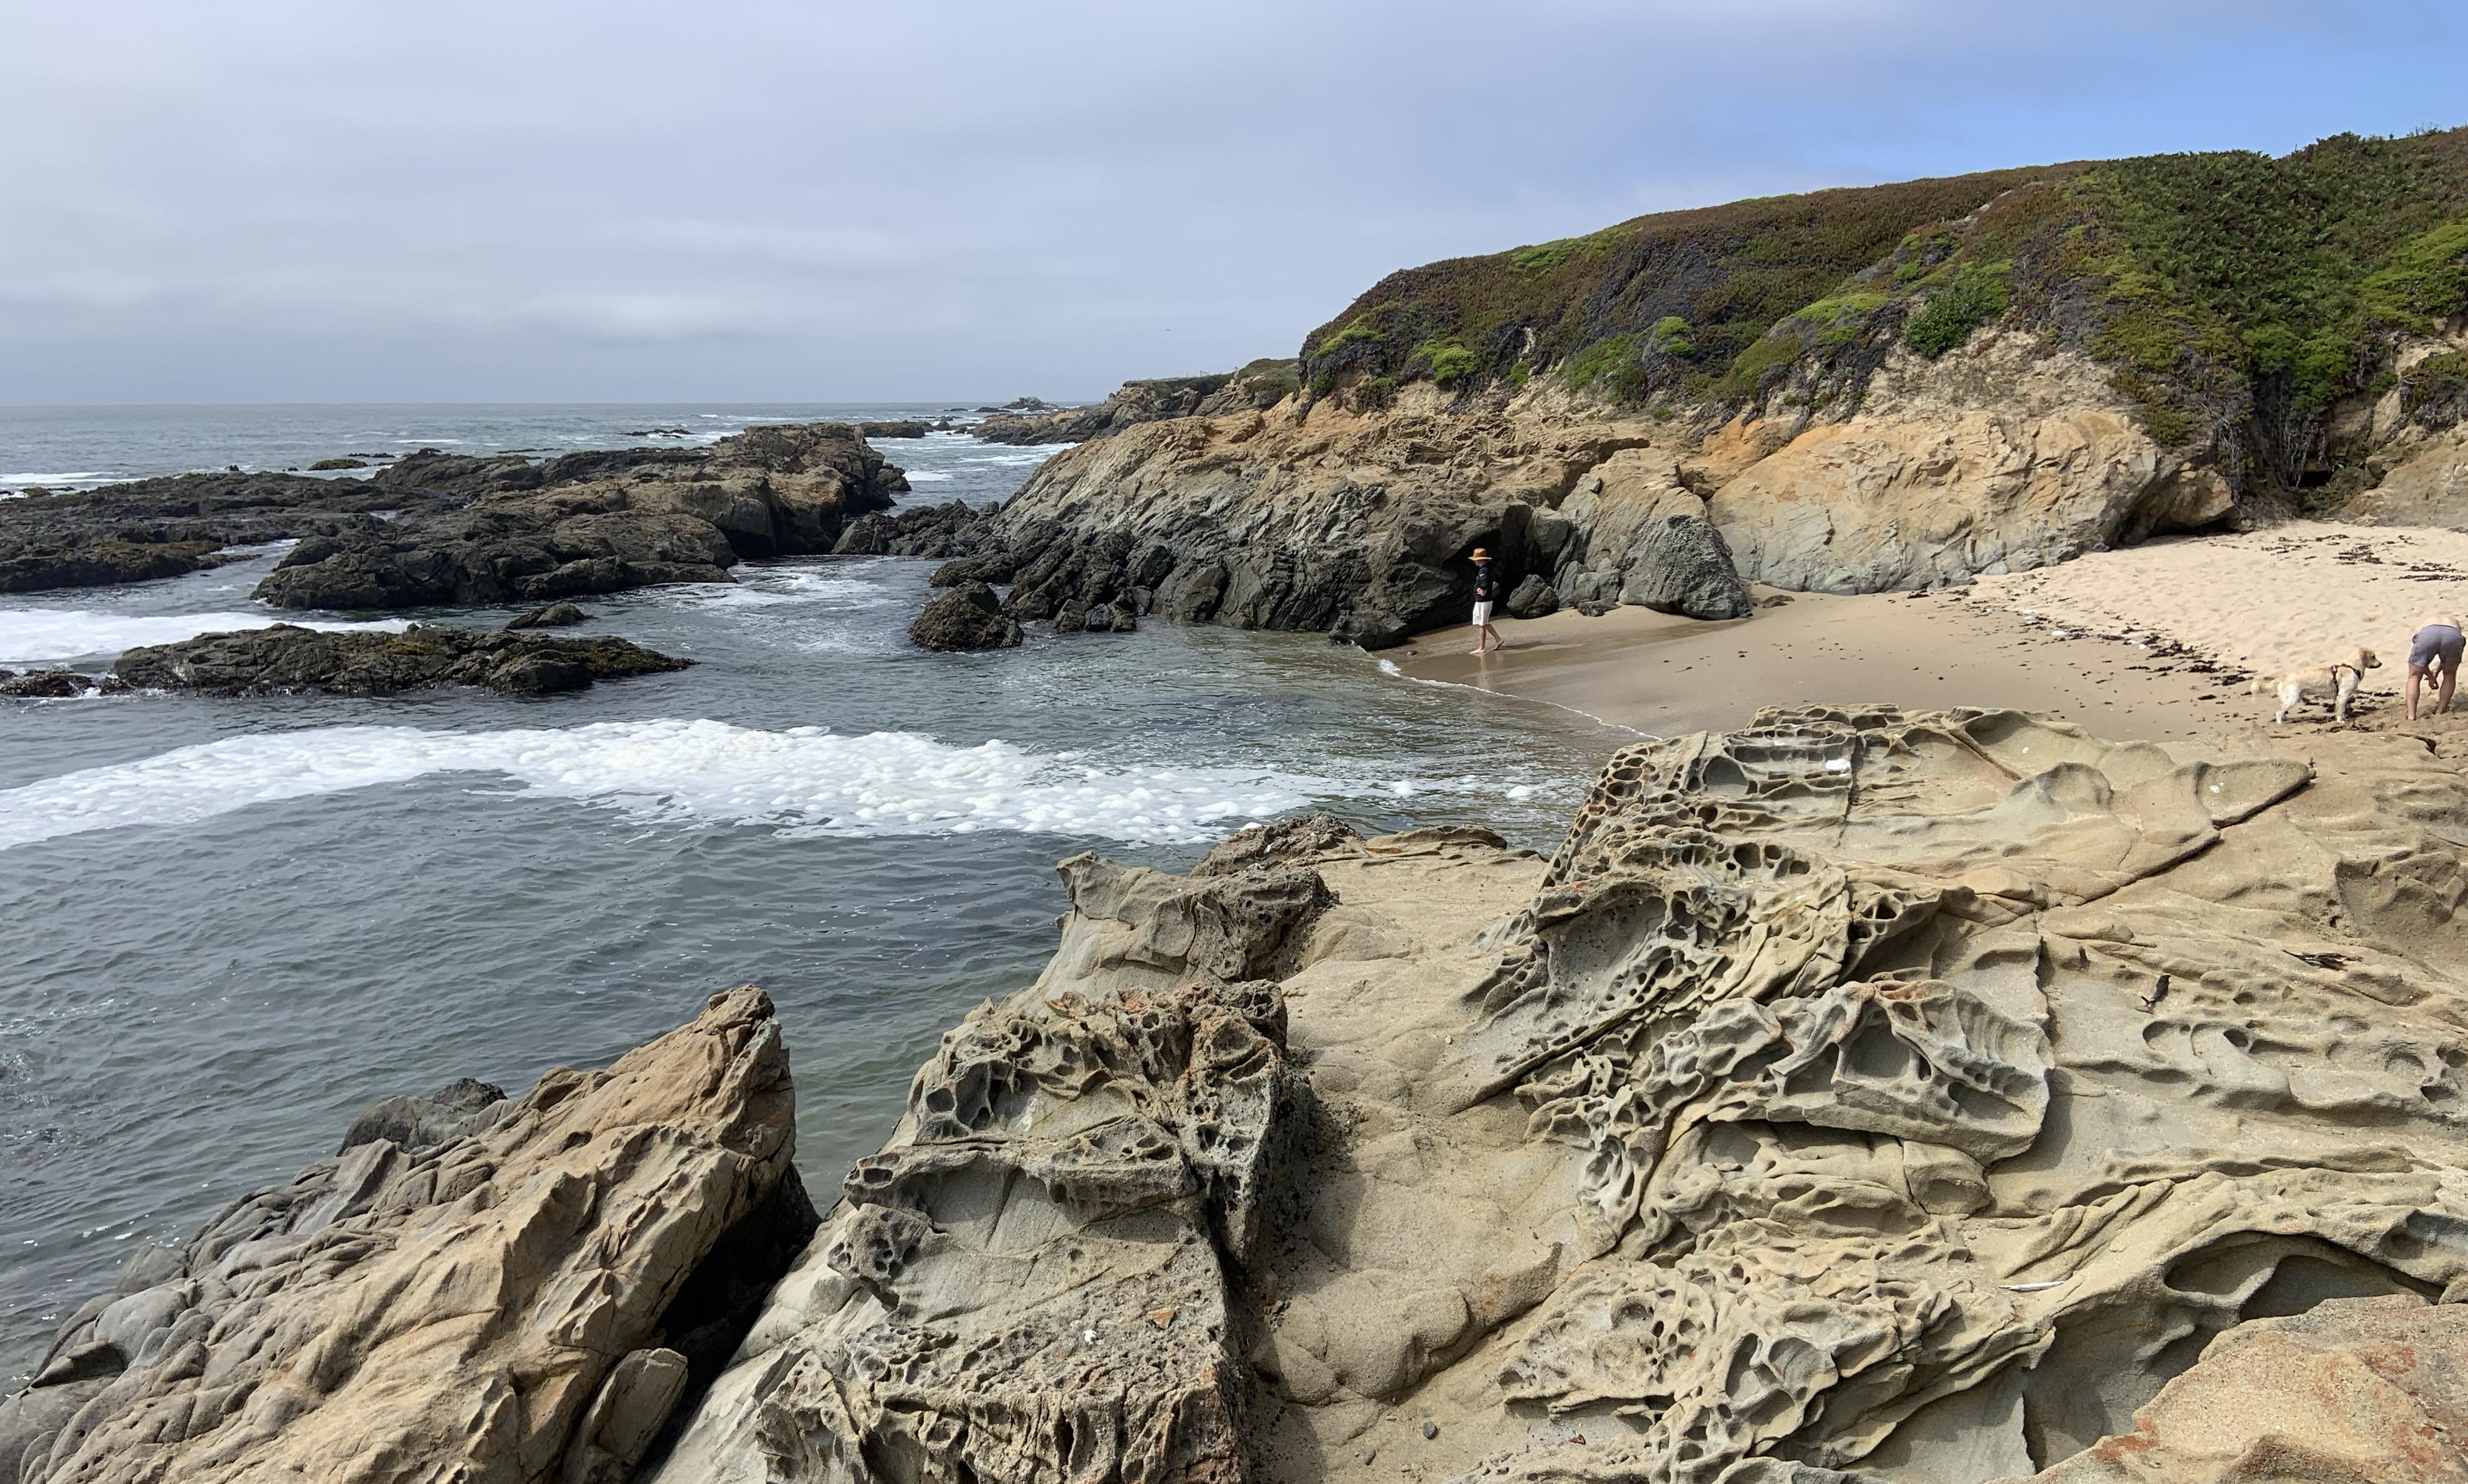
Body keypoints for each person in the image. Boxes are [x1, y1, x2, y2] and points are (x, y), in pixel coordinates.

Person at [2408, 611, 2464, 721]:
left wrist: (2430, 676)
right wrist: (2436, 673)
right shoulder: (2454, 622)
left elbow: (2420, 664)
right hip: (2453, 634)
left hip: (2428, 635)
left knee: (2414, 676)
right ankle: (2440, 711)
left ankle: (2412, 716)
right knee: (2450, 674)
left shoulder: (2422, 625)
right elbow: (2448, 663)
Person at [1469, 550, 1503, 654]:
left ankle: (1481, 647)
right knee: (1484, 622)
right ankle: (1498, 639)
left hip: (1483, 601)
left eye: (1476, 560)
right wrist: (1490, 589)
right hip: (1486, 601)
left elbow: (1484, 583)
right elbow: (1497, 580)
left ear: (1480, 560)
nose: (1474, 562)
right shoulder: (1489, 569)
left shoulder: (1483, 571)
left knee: (1481, 624)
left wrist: (1483, 591)